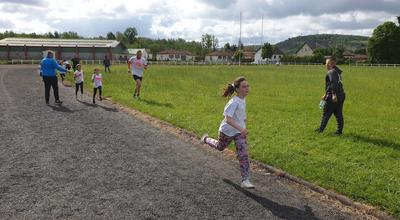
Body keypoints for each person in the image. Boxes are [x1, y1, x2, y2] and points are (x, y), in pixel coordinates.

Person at [201, 76, 254, 189]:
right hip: (227, 131)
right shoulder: (233, 102)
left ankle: (245, 180)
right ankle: (206, 139)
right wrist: (241, 129)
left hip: (239, 132)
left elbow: (240, 114)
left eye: (248, 86)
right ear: (237, 89)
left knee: (243, 155)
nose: (247, 88)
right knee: (220, 147)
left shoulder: (243, 99)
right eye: (244, 87)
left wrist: (243, 122)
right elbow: (227, 119)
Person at [316, 57, 346, 135]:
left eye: (327, 63)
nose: (326, 65)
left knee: (326, 113)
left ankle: (320, 130)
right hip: (341, 94)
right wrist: (325, 94)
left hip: (334, 96)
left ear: (332, 63)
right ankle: (339, 131)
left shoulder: (331, 72)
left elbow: (333, 83)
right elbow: (332, 84)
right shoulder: (337, 71)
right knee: (338, 113)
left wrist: (333, 95)